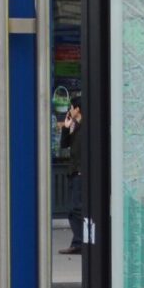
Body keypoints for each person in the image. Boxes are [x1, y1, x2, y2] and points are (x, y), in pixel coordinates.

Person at [59, 96, 84, 255]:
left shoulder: (87, 127)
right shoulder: (75, 126)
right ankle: (79, 242)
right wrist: (66, 128)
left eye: (71, 107)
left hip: (80, 173)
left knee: (76, 209)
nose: (69, 110)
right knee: (74, 209)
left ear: (77, 109)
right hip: (74, 172)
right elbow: (64, 145)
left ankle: (80, 242)